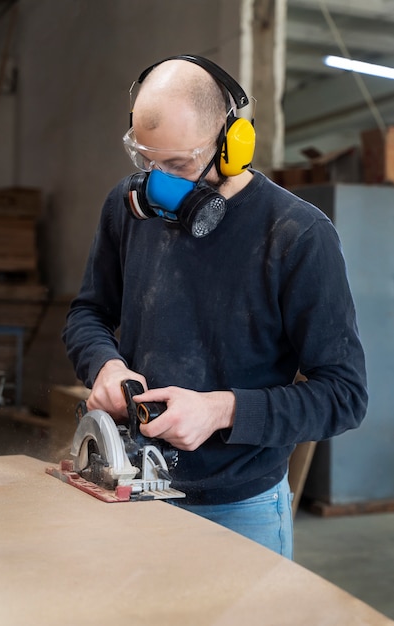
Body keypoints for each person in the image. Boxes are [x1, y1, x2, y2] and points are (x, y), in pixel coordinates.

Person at [62, 55, 368, 559]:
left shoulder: (297, 236)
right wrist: (106, 364)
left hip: (240, 512)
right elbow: (87, 313)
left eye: (178, 166)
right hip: (131, 493)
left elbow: (344, 395)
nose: (155, 185)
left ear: (232, 145)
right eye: (145, 162)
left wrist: (220, 410)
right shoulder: (127, 207)